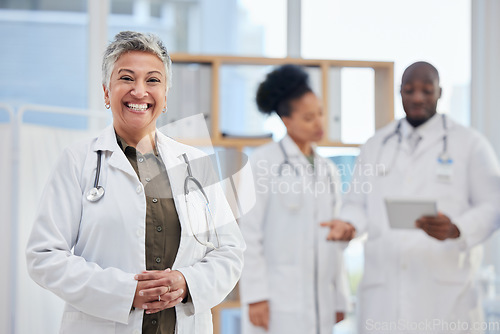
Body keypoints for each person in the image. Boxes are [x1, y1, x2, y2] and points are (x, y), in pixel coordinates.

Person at [26, 31, 245, 334]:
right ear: (106, 92)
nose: (139, 91)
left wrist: (187, 283)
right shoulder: (77, 161)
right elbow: (44, 256)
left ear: (165, 96)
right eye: (126, 78)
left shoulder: (195, 164)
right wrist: (124, 292)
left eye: (153, 80)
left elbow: (230, 251)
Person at [324, 61, 500, 333]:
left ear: (440, 92)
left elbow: (494, 203)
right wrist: (349, 225)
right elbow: (357, 204)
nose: (418, 97)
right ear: (400, 92)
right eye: (409, 90)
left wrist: (457, 229)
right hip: (384, 294)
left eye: (427, 90)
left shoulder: (470, 144)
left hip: (446, 294)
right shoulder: (376, 145)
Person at [238, 64, 350, 334]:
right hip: (277, 299)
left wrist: (340, 296)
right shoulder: (262, 163)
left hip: (322, 299)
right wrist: (255, 296)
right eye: (309, 117)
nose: (319, 123)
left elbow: (334, 238)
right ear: (286, 120)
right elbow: (247, 234)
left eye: (321, 113)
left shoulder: (328, 170)